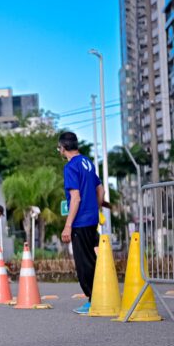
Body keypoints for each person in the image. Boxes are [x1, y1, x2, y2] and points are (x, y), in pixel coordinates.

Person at [58, 132, 104, 315]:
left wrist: (68, 225)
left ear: (62, 148)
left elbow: (75, 198)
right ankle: (100, 296)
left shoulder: (70, 167)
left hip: (80, 222)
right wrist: (96, 208)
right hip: (92, 219)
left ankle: (94, 300)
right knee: (94, 259)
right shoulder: (87, 162)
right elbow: (100, 189)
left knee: (84, 263)